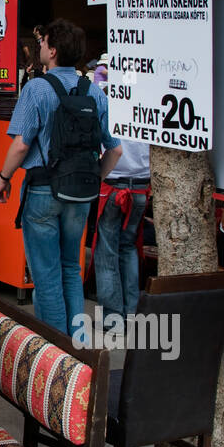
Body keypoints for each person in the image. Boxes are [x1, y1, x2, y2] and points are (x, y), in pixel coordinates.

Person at [0, 17, 122, 339]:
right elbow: (115, 150)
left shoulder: (36, 88)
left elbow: (22, 144)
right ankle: (75, 347)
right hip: (81, 195)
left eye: (42, 42)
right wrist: (94, 178)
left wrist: (3, 178)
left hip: (42, 192)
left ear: (52, 50)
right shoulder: (94, 92)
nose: (39, 47)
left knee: (46, 275)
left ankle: (55, 351)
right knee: (70, 269)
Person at [91, 138, 151, 322]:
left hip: (113, 181)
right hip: (142, 183)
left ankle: (112, 317)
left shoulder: (110, 108)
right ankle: (131, 313)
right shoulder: (150, 110)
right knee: (129, 247)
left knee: (107, 252)